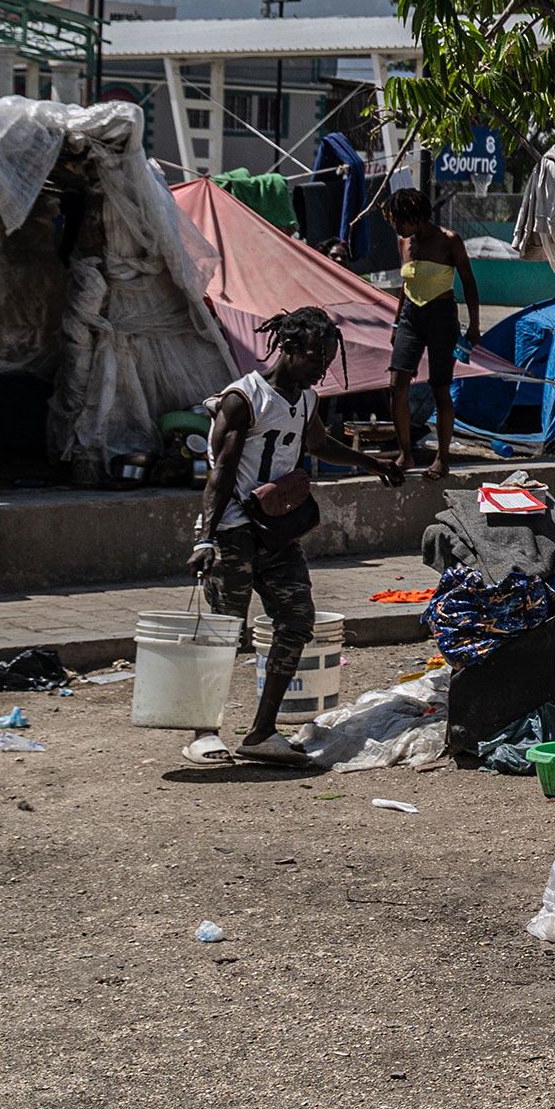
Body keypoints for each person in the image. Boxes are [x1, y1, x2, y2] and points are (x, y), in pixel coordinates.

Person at [187, 306, 402, 765]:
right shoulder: (243, 399)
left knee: (297, 621)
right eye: (315, 360)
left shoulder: (305, 400)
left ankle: (261, 734)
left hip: (277, 534)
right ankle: (204, 732)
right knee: (226, 632)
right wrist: (205, 538)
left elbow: (320, 444)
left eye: (326, 362)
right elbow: (220, 473)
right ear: (287, 349)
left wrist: (374, 464)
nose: (321, 371)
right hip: (232, 535)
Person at [383, 187, 482, 480]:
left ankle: (442, 457)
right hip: (411, 318)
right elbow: (405, 286)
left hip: (441, 317)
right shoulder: (404, 243)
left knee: (440, 387)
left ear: (416, 216)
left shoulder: (449, 241)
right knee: (396, 384)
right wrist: (396, 322)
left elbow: (469, 282)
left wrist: (474, 325)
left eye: (400, 220)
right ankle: (405, 453)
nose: (397, 227)